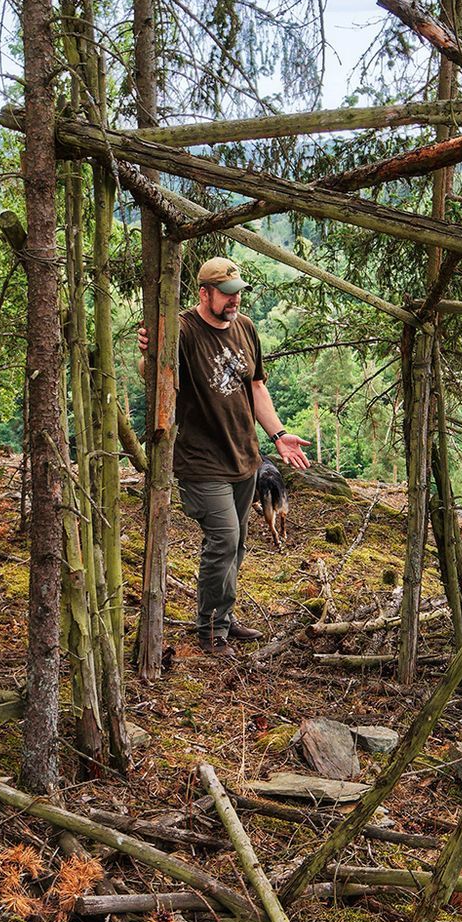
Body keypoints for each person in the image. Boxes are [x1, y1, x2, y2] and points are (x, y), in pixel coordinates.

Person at [139, 256, 311, 652]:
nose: (234, 302)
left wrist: (279, 435)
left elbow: (256, 387)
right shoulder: (183, 329)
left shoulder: (246, 328)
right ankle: (210, 630)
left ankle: (224, 617)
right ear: (205, 293)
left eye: (238, 294)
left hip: (245, 457)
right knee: (223, 539)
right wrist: (149, 352)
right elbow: (157, 377)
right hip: (201, 461)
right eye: (227, 295)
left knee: (237, 544)